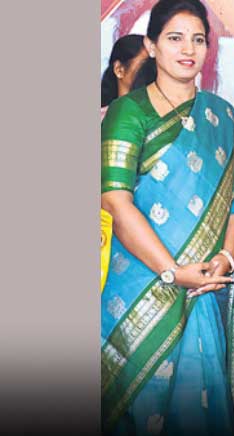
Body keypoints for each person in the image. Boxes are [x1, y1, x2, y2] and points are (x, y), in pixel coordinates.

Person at [100, 0, 234, 436]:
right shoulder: (127, 113)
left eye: (198, 39)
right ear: (151, 46)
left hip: (201, 290)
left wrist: (225, 256)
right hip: (135, 291)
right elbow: (114, 200)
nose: (188, 49)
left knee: (198, 423)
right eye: (174, 38)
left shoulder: (225, 120)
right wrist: (172, 271)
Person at [101, 34, 154, 293]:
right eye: (145, 67)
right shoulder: (103, 120)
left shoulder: (163, 125)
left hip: (152, 243)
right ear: (119, 69)